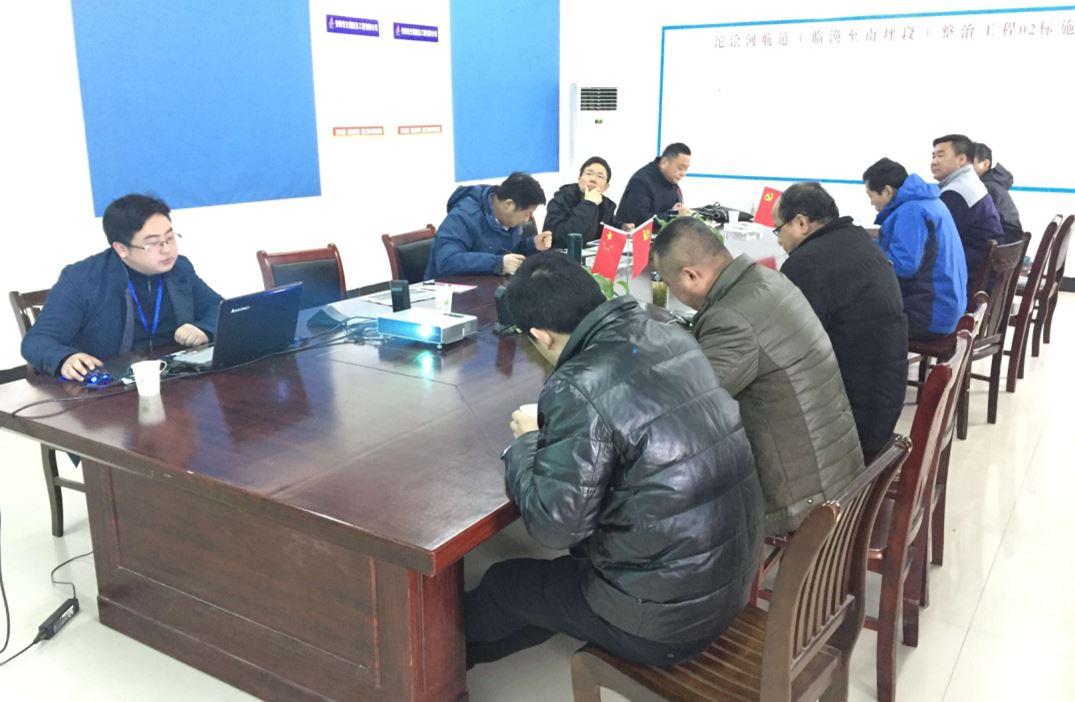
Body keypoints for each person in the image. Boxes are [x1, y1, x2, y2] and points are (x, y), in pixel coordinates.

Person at [466, 252, 762, 670]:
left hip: (667, 623)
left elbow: (555, 527)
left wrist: (526, 444)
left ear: (540, 335)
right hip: (730, 579)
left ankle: (437, 676)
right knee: (553, 583)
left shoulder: (578, 384)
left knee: (502, 586)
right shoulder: (671, 335)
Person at [652, 218, 862, 536]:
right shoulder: (768, 280)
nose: (673, 293)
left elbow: (687, 407)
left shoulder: (731, 319)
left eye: (669, 284)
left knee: (663, 499)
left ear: (691, 275)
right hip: (837, 471)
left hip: (803, 500)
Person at [772, 182, 908, 461]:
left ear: (801, 223)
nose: (778, 240)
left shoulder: (806, 264)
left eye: (778, 229)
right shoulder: (860, 242)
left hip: (851, 424)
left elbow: (786, 348)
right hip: (883, 404)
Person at [22, 194, 222, 381]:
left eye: (170, 238)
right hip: (111, 384)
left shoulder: (179, 269)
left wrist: (204, 328)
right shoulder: (82, 279)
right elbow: (37, 340)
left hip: (174, 376)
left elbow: (219, 308)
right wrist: (66, 358)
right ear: (122, 249)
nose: (167, 249)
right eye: (153, 243)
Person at [864, 158, 968, 340]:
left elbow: (902, 265)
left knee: (851, 320)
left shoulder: (910, 211)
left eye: (870, 195)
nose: (871, 203)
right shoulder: (930, 202)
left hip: (930, 315)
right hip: (948, 307)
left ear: (887, 191)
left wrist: (866, 254)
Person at [424, 172, 553, 278]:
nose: (528, 219)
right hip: (446, 293)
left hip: (485, 287)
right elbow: (447, 260)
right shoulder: (463, 216)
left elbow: (508, 251)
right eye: (527, 213)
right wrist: (498, 263)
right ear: (508, 204)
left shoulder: (507, 219)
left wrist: (532, 244)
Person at [930, 134, 1005, 286]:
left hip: (970, 279)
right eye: (933, 156)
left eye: (940, 155)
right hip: (985, 271)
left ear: (962, 159)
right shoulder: (970, 182)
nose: (934, 161)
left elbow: (936, 240)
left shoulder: (957, 192)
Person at [543, 156, 619, 248]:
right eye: (589, 174)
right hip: (560, 254)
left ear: (606, 187)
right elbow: (564, 238)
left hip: (589, 255)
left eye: (600, 176)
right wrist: (589, 203)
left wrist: (623, 226)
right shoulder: (560, 200)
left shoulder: (606, 205)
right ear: (579, 179)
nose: (593, 179)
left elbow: (612, 225)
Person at [615, 142, 691, 227]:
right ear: (664, 162)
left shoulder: (672, 183)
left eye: (686, 169)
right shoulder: (641, 182)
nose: (683, 174)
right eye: (680, 168)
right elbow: (640, 220)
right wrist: (673, 215)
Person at [972, 142, 1024, 244]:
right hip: (1010, 242)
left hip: (1002, 244)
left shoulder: (986, 187)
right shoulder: (991, 183)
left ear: (985, 164)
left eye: (970, 163)